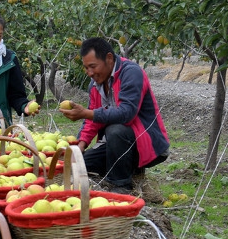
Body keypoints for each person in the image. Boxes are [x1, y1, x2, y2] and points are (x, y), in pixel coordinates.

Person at [59, 37, 170, 193]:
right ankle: (129, 171)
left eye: (93, 66)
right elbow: (92, 120)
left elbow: (126, 114)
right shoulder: (95, 84)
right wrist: (80, 145)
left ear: (109, 58)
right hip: (115, 144)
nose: (89, 73)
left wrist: (86, 113)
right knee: (82, 165)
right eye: (86, 68)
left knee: (116, 129)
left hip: (146, 143)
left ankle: (121, 186)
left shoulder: (131, 73)